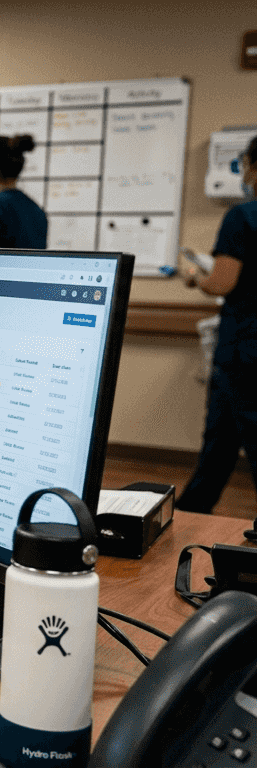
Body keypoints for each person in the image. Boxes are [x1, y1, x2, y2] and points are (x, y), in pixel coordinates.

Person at [176, 134, 257, 514]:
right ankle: (190, 513)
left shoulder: (242, 217)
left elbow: (222, 282)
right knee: (220, 445)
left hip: (244, 353)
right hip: (244, 352)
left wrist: (195, 278)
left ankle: (190, 514)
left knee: (229, 441)